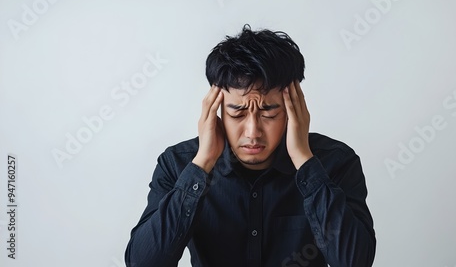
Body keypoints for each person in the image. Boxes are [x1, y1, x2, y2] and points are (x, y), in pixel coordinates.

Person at [125, 25, 376, 267]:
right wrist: (201, 165)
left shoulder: (336, 163)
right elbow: (143, 262)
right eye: (237, 113)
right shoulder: (178, 164)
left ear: (293, 109)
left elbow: (354, 261)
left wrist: (304, 160)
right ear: (217, 108)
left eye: (268, 112)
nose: (253, 132)